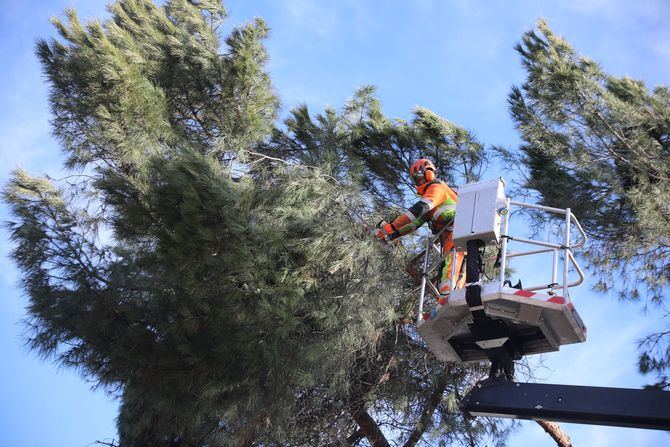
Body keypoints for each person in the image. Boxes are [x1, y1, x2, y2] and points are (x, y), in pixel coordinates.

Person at [377, 158, 465, 303]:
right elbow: (414, 223)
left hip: (458, 228)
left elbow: (418, 210)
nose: (418, 181)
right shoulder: (429, 195)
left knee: (451, 262)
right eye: (415, 178)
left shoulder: (437, 189)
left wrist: (391, 227)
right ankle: (451, 295)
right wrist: (391, 235)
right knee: (451, 264)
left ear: (429, 173)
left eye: (419, 176)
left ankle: (448, 295)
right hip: (450, 232)